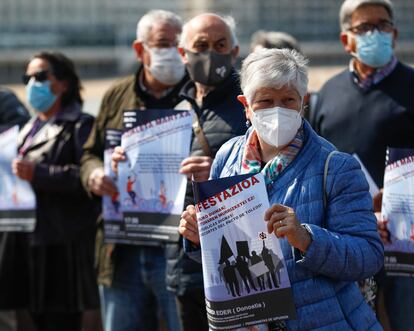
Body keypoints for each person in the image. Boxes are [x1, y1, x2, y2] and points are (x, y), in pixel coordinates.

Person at [179, 48, 384, 330]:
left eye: (288, 100)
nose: (277, 110)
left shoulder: (335, 167)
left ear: (304, 103)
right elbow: (223, 260)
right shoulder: (227, 158)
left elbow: (369, 256)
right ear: (246, 106)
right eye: (265, 101)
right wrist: (199, 237)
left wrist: (306, 238)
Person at [308, 0, 414, 329]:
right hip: (347, 237)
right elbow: (316, 157)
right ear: (346, 40)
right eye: (364, 27)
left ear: (394, 34)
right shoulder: (328, 92)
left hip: (405, 239)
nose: (375, 33)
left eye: (382, 25)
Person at [80, 10, 187, 331]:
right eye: (163, 43)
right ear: (140, 50)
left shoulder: (198, 94)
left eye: (178, 44)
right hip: (123, 249)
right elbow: (89, 153)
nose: (172, 51)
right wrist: (95, 175)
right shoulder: (117, 95)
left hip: (178, 248)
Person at [7, 51, 99, 331]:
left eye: (40, 76)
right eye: (27, 77)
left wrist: (39, 173)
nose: (32, 83)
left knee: (61, 320)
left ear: (64, 83)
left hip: (63, 241)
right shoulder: (27, 129)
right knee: (34, 318)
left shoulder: (80, 124)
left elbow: (84, 175)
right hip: (28, 239)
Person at [169, 13, 246, 331]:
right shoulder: (179, 108)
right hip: (183, 260)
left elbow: (277, 171)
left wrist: (218, 168)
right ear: (183, 53)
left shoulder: (250, 104)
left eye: (220, 44)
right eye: (201, 45)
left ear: (234, 51)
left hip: (237, 258)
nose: (211, 52)